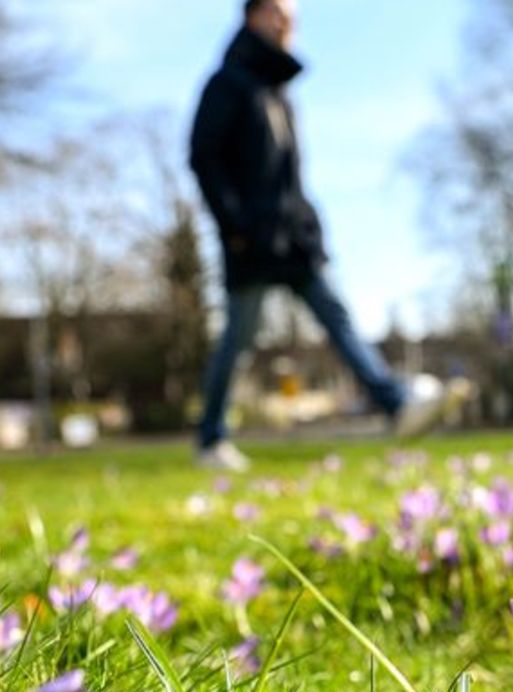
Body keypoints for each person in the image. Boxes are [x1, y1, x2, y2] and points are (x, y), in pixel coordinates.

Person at [189, 0, 454, 472]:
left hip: (294, 238)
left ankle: (397, 405)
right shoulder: (229, 84)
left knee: (337, 315)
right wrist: (236, 227)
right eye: (280, 13)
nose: (290, 23)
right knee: (240, 337)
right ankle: (211, 438)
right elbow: (203, 157)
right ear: (254, 17)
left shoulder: (277, 92)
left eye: (293, 15)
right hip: (252, 239)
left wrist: (307, 224)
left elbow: (287, 177)